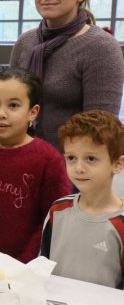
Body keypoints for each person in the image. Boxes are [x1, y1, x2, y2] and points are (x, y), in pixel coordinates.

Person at [10, 0, 124, 151]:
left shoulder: (101, 47)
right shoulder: (25, 43)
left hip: (70, 167)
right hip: (21, 156)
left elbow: (100, 131)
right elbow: (8, 103)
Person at [0, 68, 70, 263]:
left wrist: (22, 263)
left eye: (13, 105)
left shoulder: (49, 160)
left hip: (23, 267)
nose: (1, 113)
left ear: (33, 112)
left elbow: (52, 220)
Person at [41, 110, 124, 288]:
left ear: (117, 164)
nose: (78, 168)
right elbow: (42, 268)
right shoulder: (57, 210)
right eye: (71, 158)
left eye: (91, 159)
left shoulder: (121, 225)